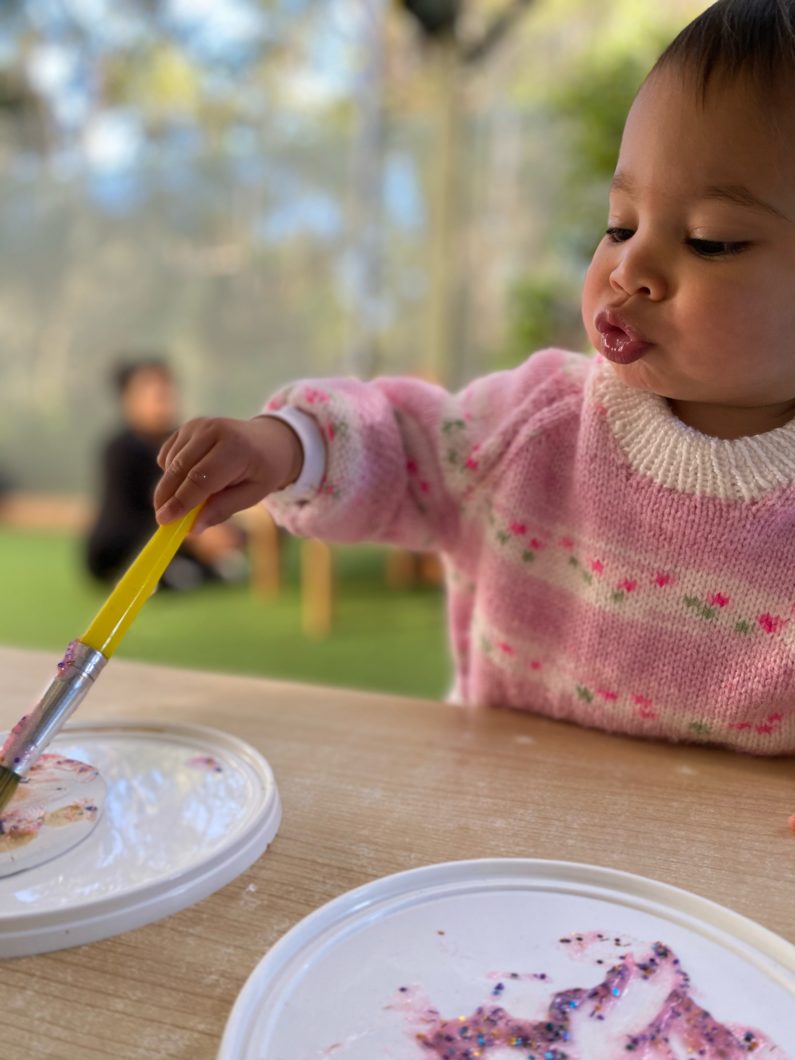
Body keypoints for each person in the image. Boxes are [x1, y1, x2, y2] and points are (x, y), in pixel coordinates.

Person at [154, 0, 795, 754]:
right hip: (496, 825)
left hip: (699, 860)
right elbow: (400, 441)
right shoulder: (536, 423)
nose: (629, 268)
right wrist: (283, 446)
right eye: (618, 223)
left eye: (708, 241)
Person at [86, 357, 246, 589]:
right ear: (128, 400)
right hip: (125, 545)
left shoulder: (184, 441)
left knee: (233, 533)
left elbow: (201, 481)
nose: (161, 394)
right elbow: (135, 511)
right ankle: (185, 572)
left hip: (179, 537)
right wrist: (194, 536)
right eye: (149, 388)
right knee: (176, 567)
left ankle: (197, 568)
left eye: (166, 387)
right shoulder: (120, 448)